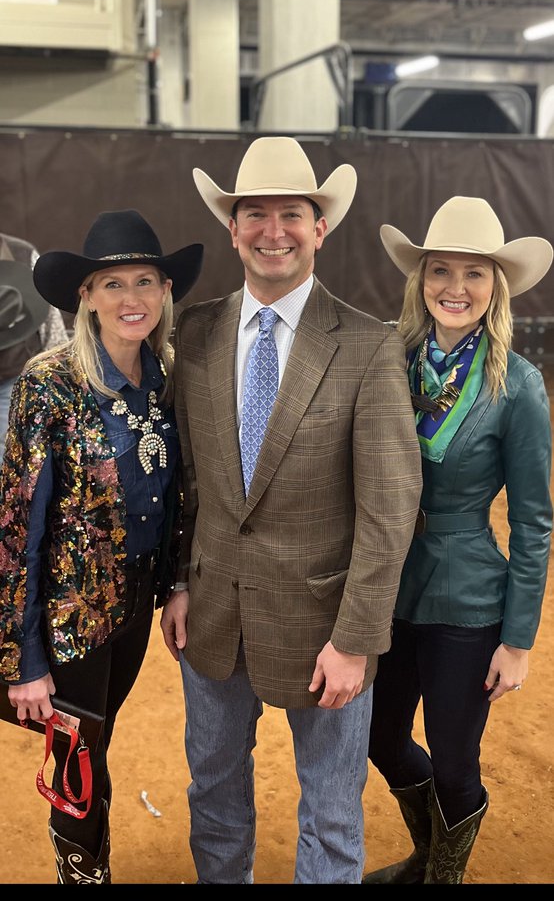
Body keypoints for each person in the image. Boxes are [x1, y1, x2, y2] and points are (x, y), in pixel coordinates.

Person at [161, 135, 423, 885]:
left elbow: (389, 508)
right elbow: (189, 480)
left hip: (325, 633)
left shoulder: (369, 348)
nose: (273, 230)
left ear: (320, 227)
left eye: (291, 215)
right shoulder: (199, 331)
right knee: (212, 797)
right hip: (211, 620)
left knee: (333, 815)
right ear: (233, 226)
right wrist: (180, 582)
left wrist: (357, 638)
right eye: (256, 214)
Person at [0, 209, 203, 885]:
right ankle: (84, 874)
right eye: (112, 285)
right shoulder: (47, 385)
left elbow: (178, 499)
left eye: (145, 281)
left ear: (165, 292)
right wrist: (23, 659)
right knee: (78, 757)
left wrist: (175, 584)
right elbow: (16, 530)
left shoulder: (168, 378)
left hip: (136, 603)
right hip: (69, 616)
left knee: (97, 739)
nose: (131, 299)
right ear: (84, 295)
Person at [362, 195, 553, 886]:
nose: (455, 288)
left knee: (453, 759)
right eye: (440, 270)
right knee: (379, 738)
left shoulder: (519, 386)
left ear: (496, 286)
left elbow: (534, 520)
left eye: (474, 274)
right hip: (387, 585)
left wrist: (520, 638)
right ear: (420, 281)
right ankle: (427, 858)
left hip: (468, 596)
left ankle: (440, 876)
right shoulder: (391, 359)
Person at [0, 231, 69, 455]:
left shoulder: (22, 253)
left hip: (14, 376)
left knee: (8, 452)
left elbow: (50, 319)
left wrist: (58, 374)